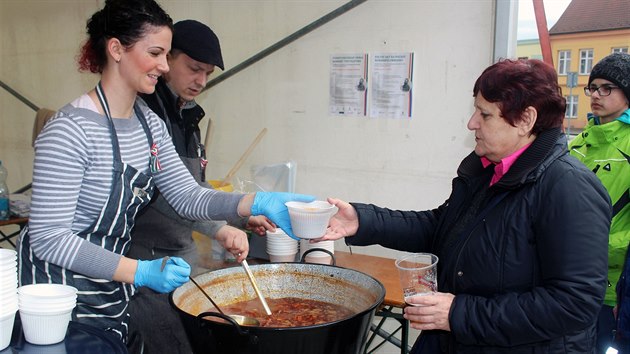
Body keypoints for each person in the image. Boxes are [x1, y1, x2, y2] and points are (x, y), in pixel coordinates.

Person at [16, 0, 313, 348]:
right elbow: (49, 238)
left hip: (110, 289)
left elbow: (189, 197)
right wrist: (138, 271)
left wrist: (256, 202)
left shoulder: (149, 126)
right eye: (155, 52)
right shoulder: (69, 130)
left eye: (166, 53)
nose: (162, 65)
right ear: (116, 49)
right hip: (55, 297)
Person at [319, 58, 612, 353]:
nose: (472, 123)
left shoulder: (569, 188)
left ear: (525, 120)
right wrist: (364, 220)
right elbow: (440, 226)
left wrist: (458, 313)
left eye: (484, 114)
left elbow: (574, 304)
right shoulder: (490, 171)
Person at [126, 19, 271, 354]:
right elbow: (159, 193)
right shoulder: (143, 115)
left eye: (207, 73)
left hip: (184, 254)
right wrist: (220, 228)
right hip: (146, 261)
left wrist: (238, 217)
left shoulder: (187, 115)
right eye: (193, 69)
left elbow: (196, 188)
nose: (201, 81)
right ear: (165, 61)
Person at [568, 52, 630, 353]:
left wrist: (594, 248)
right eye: (592, 87)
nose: (595, 95)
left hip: (615, 291)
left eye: (607, 88)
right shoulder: (578, 143)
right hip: (571, 282)